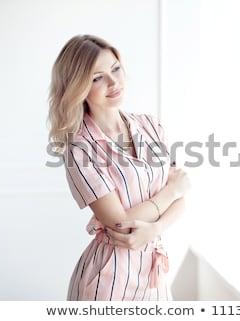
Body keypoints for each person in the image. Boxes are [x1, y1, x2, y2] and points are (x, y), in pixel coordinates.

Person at [48, 34, 190, 301]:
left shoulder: (151, 126)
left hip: (153, 278)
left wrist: (154, 229)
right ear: (78, 87)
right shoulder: (80, 149)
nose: (113, 82)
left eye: (115, 69)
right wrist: (171, 192)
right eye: (97, 77)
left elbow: (182, 200)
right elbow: (120, 224)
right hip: (108, 281)